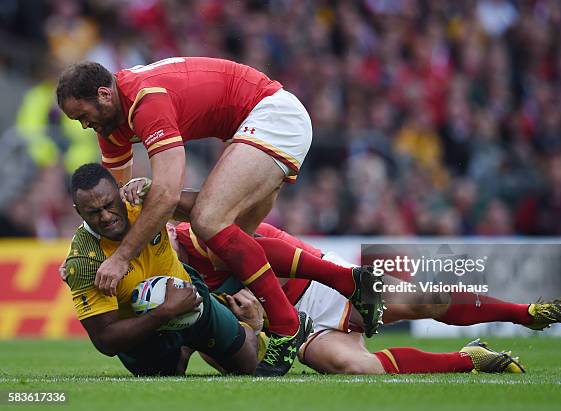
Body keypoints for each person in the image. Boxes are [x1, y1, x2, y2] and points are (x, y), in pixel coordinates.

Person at [56, 57, 384, 376]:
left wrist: (122, 257)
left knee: (208, 220)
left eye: (83, 116)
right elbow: (113, 201)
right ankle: (347, 280)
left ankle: (287, 326)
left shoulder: (145, 100)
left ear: (104, 94)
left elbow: (167, 193)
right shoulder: (111, 125)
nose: (85, 125)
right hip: (256, 124)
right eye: (77, 122)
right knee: (219, 251)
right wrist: (84, 248)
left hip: (272, 115)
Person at [116, 178, 561, 375]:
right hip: (293, 329)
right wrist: (249, 330)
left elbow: (266, 250)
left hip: (318, 283)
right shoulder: (174, 290)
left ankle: (529, 313)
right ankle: (471, 359)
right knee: (353, 367)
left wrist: (342, 277)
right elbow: (231, 355)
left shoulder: (197, 235)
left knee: (423, 301)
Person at [63, 163, 259, 376]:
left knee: (248, 367)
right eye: (94, 212)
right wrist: (165, 312)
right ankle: (186, 348)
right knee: (169, 375)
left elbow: (212, 209)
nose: (106, 217)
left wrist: (163, 192)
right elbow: (105, 340)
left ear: (120, 190)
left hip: (191, 297)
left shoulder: (144, 202)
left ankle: (247, 325)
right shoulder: (83, 261)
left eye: (109, 205)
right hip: (145, 336)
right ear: (78, 211)